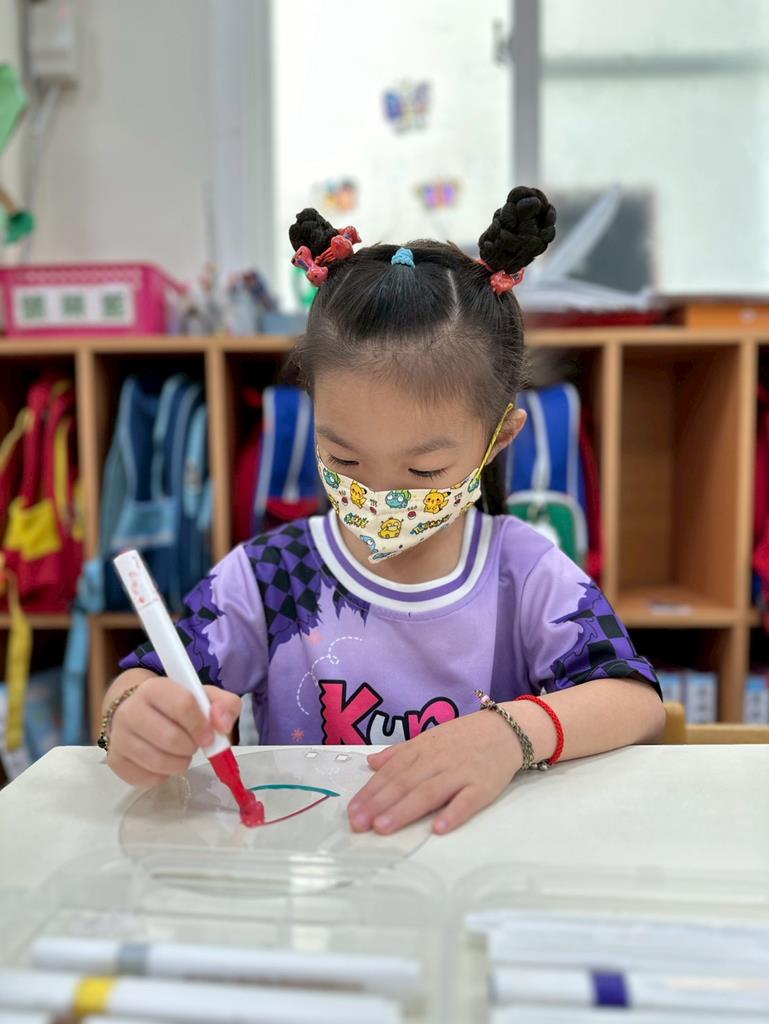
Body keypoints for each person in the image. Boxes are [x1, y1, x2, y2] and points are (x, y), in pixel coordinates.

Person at [102, 186, 664, 836]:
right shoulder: (272, 575)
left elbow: (635, 700)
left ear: (499, 438)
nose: (379, 495)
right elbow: (142, 683)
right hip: (314, 869)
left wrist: (509, 734)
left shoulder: (523, 569)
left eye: (423, 471)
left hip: (472, 866)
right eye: (343, 458)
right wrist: (133, 719)